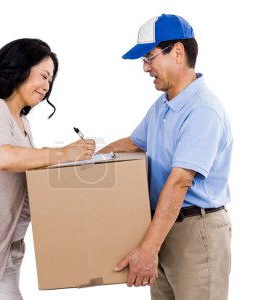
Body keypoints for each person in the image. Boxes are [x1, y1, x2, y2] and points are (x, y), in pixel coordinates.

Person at [0, 38, 95, 300]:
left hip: (7, 250)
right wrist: (62, 153)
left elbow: (25, 170)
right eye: (43, 76)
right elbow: (3, 158)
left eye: (50, 80)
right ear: (20, 68)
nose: (46, 86)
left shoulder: (22, 121)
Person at [100, 14, 233, 300]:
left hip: (196, 233)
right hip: (163, 229)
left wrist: (148, 248)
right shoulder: (162, 106)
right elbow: (134, 143)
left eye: (150, 58)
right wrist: (87, 160)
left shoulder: (202, 111)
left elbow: (180, 182)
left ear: (177, 52)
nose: (146, 68)